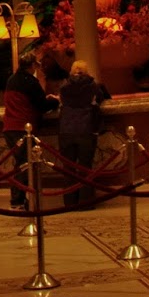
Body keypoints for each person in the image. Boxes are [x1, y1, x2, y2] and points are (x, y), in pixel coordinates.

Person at [3, 50, 59, 211]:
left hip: (9, 127)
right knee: (24, 165)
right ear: (33, 65)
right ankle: (17, 201)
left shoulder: (12, 80)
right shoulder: (30, 82)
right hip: (23, 128)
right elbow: (41, 105)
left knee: (19, 164)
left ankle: (19, 199)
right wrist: (55, 101)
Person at [57, 59, 109, 209]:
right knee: (85, 167)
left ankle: (69, 202)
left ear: (72, 71)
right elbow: (102, 98)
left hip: (66, 130)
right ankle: (85, 202)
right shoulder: (92, 86)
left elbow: (61, 102)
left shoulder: (64, 87)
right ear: (86, 71)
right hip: (86, 129)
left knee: (68, 168)